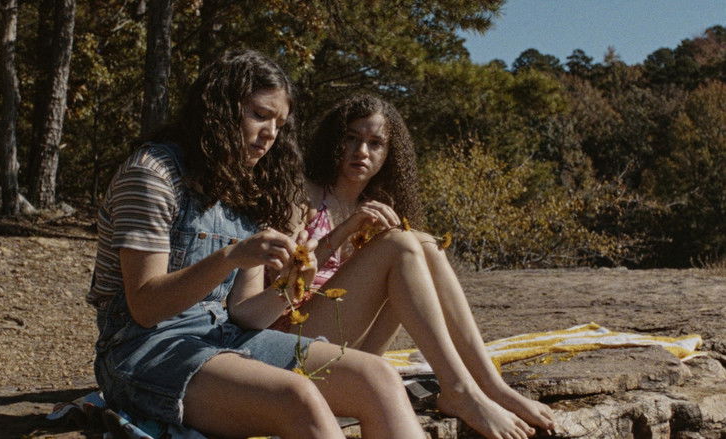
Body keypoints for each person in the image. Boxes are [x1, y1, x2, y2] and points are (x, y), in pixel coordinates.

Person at [88, 52, 425, 439]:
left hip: (224, 337)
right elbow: (146, 308)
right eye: (260, 115)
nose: (270, 134)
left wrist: (292, 285)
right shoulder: (152, 175)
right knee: (297, 395)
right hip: (143, 352)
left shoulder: (245, 184)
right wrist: (230, 257)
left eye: (279, 124)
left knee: (376, 376)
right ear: (219, 110)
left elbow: (246, 315)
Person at [267, 95, 558, 439]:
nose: (361, 151)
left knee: (426, 245)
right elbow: (280, 280)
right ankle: (459, 390)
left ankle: (491, 386)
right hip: (294, 343)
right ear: (334, 140)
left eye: (375, 143)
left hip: (353, 352)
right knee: (400, 244)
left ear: (390, 153)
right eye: (351, 138)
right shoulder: (303, 194)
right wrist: (345, 231)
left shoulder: (377, 205)